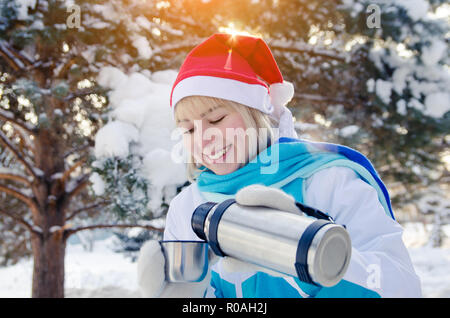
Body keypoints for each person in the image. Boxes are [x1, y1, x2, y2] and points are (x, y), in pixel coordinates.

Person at [137, 33, 422, 298]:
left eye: (216, 120)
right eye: (188, 130)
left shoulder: (327, 180)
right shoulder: (188, 206)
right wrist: (186, 296)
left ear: (256, 115)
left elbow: (401, 287)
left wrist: (310, 253)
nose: (204, 140)